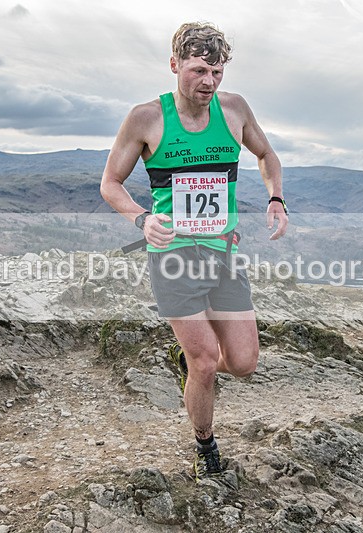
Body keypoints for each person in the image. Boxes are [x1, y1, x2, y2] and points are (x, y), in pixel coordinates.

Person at [100, 22, 288, 482]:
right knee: (206, 361)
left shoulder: (234, 109)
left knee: (242, 363)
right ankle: (205, 445)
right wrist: (142, 219)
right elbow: (111, 183)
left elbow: (267, 156)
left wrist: (276, 198)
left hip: (223, 254)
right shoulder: (146, 119)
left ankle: (188, 362)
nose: (209, 82)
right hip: (174, 257)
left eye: (217, 72)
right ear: (174, 65)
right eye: (199, 70)